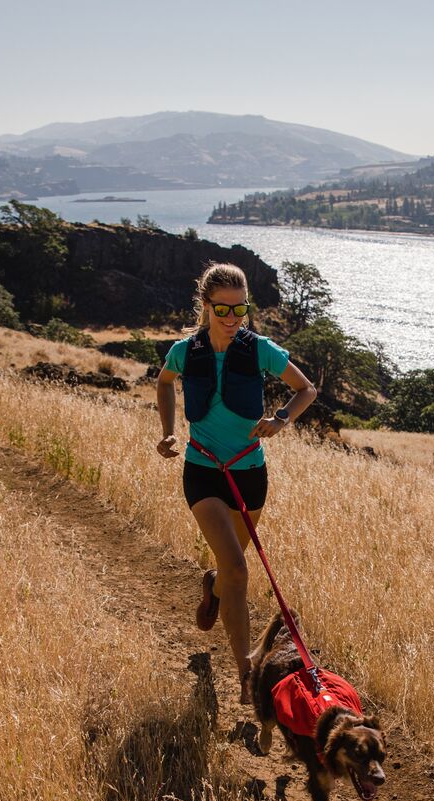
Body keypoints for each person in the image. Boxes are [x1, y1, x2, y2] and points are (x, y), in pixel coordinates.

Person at [155, 262, 317, 703]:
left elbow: (306, 390)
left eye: (239, 309)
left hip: (250, 474)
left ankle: (211, 583)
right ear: (205, 306)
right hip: (203, 470)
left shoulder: (261, 348)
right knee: (240, 571)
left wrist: (281, 419)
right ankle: (246, 674)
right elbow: (165, 383)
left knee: (229, 573)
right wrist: (169, 430)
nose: (231, 318)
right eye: (222, 309)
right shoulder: (184, 351)